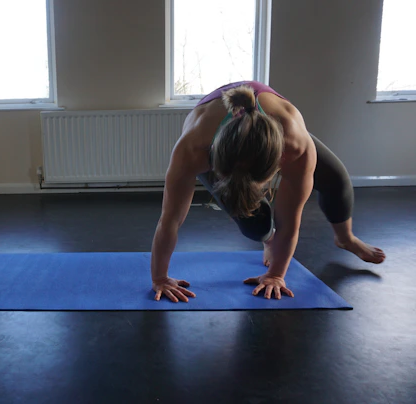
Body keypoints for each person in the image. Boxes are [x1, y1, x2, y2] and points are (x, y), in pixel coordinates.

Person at [150, 81, 386, 302]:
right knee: (255, 223)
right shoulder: (193, 149)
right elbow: (170, 220)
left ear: (279, 161)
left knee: (337, 180)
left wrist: (276, 275)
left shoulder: (296, 146)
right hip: (219, 137)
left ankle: (346, 239)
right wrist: (160, 278)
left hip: (274, 128)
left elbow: (290, 222)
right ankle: (268, 240)